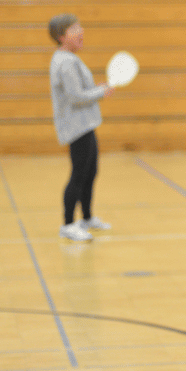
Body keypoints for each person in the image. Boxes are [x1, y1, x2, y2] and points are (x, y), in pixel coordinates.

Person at [48, 13, 113, 241]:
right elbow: (75, 97)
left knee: (90, 171)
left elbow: (79, 90)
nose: (81, 32)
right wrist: (101, 92)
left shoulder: (69, 59)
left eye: (80, 27)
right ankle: (68, 224)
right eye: (74, 29)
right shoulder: (65, 62)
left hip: (86, 124)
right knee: (78, 173)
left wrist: (96, 88)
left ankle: (86, 217)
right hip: (77, 127)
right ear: (61, 36)